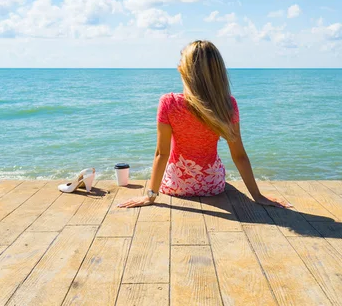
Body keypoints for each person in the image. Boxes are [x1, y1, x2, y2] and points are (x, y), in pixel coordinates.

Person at [117, 40, 291, 209]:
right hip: (212, 185)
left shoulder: (168, 102)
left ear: (183, 70)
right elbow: (239, 156)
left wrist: (150, 196)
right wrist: (257, 196)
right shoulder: (227, 105)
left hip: (176, 185)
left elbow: (161, 154)